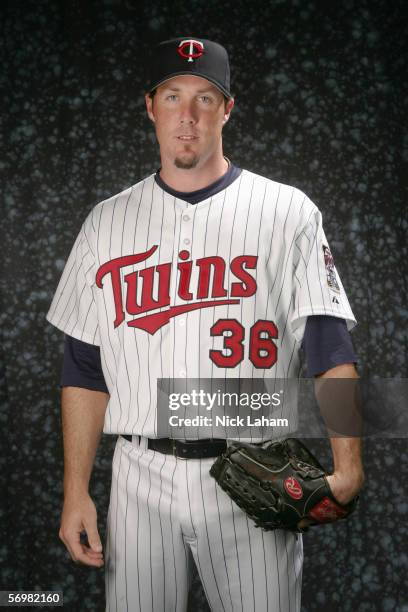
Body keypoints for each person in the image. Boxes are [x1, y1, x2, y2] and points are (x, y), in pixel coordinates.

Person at [47, 37, 364, 612]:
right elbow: (84, 366)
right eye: (172, 96)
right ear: (150, 106)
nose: (187, 115)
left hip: (252, 473)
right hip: (139, 476)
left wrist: (349, 466)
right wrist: (75, 492)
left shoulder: (287, 211)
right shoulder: (106, 223)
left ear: (228, 109)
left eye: (204, 97)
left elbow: (327, 342)